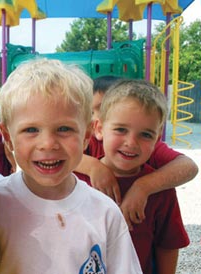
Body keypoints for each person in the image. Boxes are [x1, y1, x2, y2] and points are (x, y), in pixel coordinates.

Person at [0, 59, 142, 273]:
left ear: (86, 135)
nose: (48, 143)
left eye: (64, 129)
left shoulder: (105, 213)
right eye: (31, 130)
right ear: (8, 138)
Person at [83, 79, 189, 274]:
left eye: (146, 135)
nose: (131, 143)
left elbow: (167, 244)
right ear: (98, 129)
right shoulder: (76, 181)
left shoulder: (160, 191)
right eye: (121, 130)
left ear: (157, 139)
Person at [74, 75, 198, 229]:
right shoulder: (88, 140)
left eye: (101, 108)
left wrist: (143, 186)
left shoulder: (145, 146)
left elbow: (189, 167)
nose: (131, 143)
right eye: (92, 110)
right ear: (98, 127)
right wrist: (93, 166)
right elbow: (61, 156)